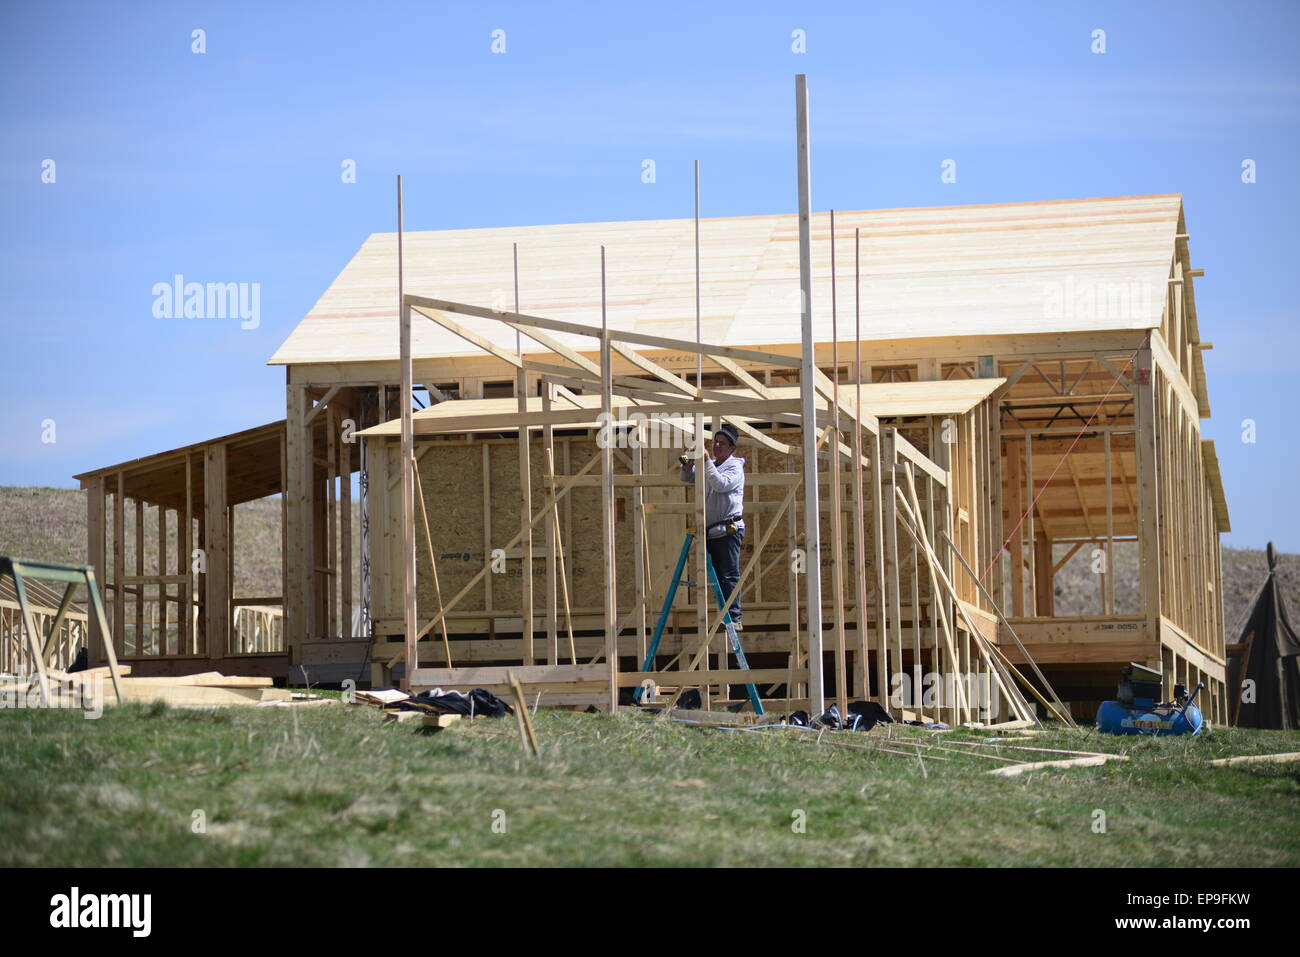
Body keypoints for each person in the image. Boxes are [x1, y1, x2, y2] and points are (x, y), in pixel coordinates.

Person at [679, 423, 745, 629]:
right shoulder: (712, 465)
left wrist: (706, 461)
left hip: (728, 529)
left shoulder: (735, 467)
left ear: (732, 448)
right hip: (712, 531)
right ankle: (724, 614)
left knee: (728, 574)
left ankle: (734, 618)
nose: (717, 445)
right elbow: (687, 478)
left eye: (722, 443)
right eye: (715, 442)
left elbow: (720, 484)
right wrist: (687, 463)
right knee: (717, 577)